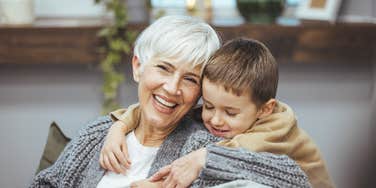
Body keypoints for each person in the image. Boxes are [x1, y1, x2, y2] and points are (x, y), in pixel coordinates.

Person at [30, 16, 310, 188]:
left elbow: (295, 180)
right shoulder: (99, 134)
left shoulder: (201, 146)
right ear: (138, 66)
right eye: (163, 68)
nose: (172, 88)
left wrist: (205, 160)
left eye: (190, 79)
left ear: (201, 92)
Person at [102, 38, 333, 188]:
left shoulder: (276, 127)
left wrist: (198, 159)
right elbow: (158, 110)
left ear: (265, 109)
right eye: (209, 106)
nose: (215, 119)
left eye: (230, 113)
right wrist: (119, 127)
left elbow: (233, 156)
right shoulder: (229, 110)